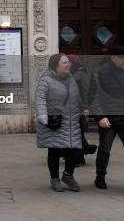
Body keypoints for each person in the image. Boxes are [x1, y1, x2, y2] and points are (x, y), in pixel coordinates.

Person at [35, 53, 82, 192]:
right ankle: (54, 179)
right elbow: (40, 99)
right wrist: (43, 116)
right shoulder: (46, 80)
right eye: (65, 63)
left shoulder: (71, 79)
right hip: (55, 120)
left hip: (71, 120)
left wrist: (83, 108)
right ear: (55, 66)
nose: (68, 65)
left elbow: (76, 97)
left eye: (68, 62)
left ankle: (68, 176)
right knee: (55, 150)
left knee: (73, 151)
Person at [90, 45, 124, 190]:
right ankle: (100, 176)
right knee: (105, 149)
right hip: (108, 118)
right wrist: (100, 116)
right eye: (122, 58)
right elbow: (94, 96)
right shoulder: (100, 72)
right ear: (113, 58)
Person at [68, 54, 97, 165]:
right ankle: (80, 152)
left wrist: (85, 107)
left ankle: (79, 158)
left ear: (73, 63)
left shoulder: (81, 73)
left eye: (68, 62)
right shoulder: (77, 72)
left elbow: (85, 92)